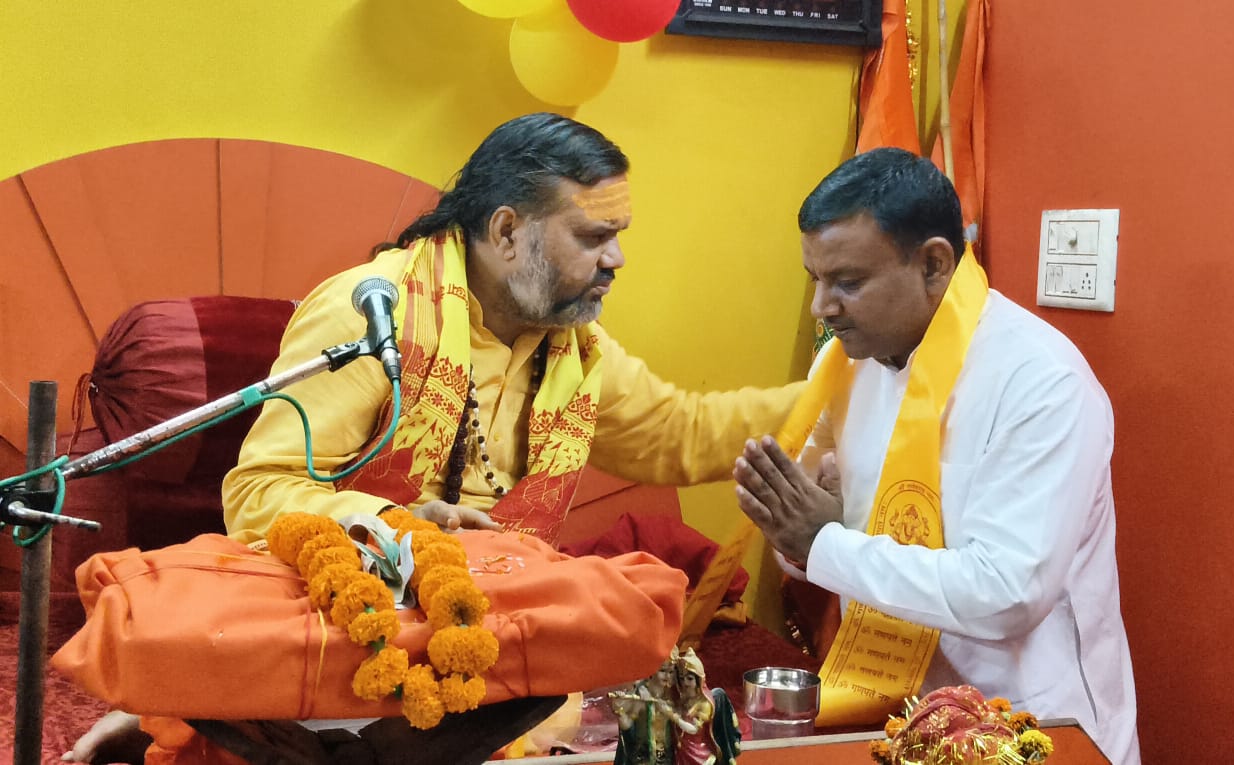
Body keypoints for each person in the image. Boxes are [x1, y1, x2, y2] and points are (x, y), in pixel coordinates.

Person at [65, 112, 803, 764]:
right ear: (507, 231)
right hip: (350, 632)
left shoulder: (576, 352)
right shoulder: (371, 316)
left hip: (487, 638)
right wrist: (399, 528)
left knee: (628, 615)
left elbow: (680, 434)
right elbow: (259, 492)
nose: (616, 259)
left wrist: (842, 397)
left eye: (618, 236)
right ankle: (187, 705)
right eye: (594, 236)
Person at [731, 147, 1140, 765]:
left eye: (848, 282)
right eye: (816, 279)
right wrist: (800, 536)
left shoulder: (1041, 382)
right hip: (899, 717)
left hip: (1030, 724)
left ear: (933, 264)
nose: (822, 307)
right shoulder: (844, 365)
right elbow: (823, 543)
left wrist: (824, 542)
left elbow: (1007, 594)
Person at [668, 648, 739, 765]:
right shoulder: (683, 699)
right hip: (683, 750)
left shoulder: (704, 704)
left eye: (690, 679)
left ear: (699, 680)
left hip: (698, 752)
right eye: (682, 678)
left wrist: (673, 717)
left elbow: (694, 729)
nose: (685, 683)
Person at [612, 655, 679, 765]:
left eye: (671, 672)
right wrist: (620, 710)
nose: (667, 676)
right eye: (662, 671)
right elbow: (626, 723)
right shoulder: (640, 694)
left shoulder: (673, 694)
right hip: (643, 755)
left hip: (665, 755)